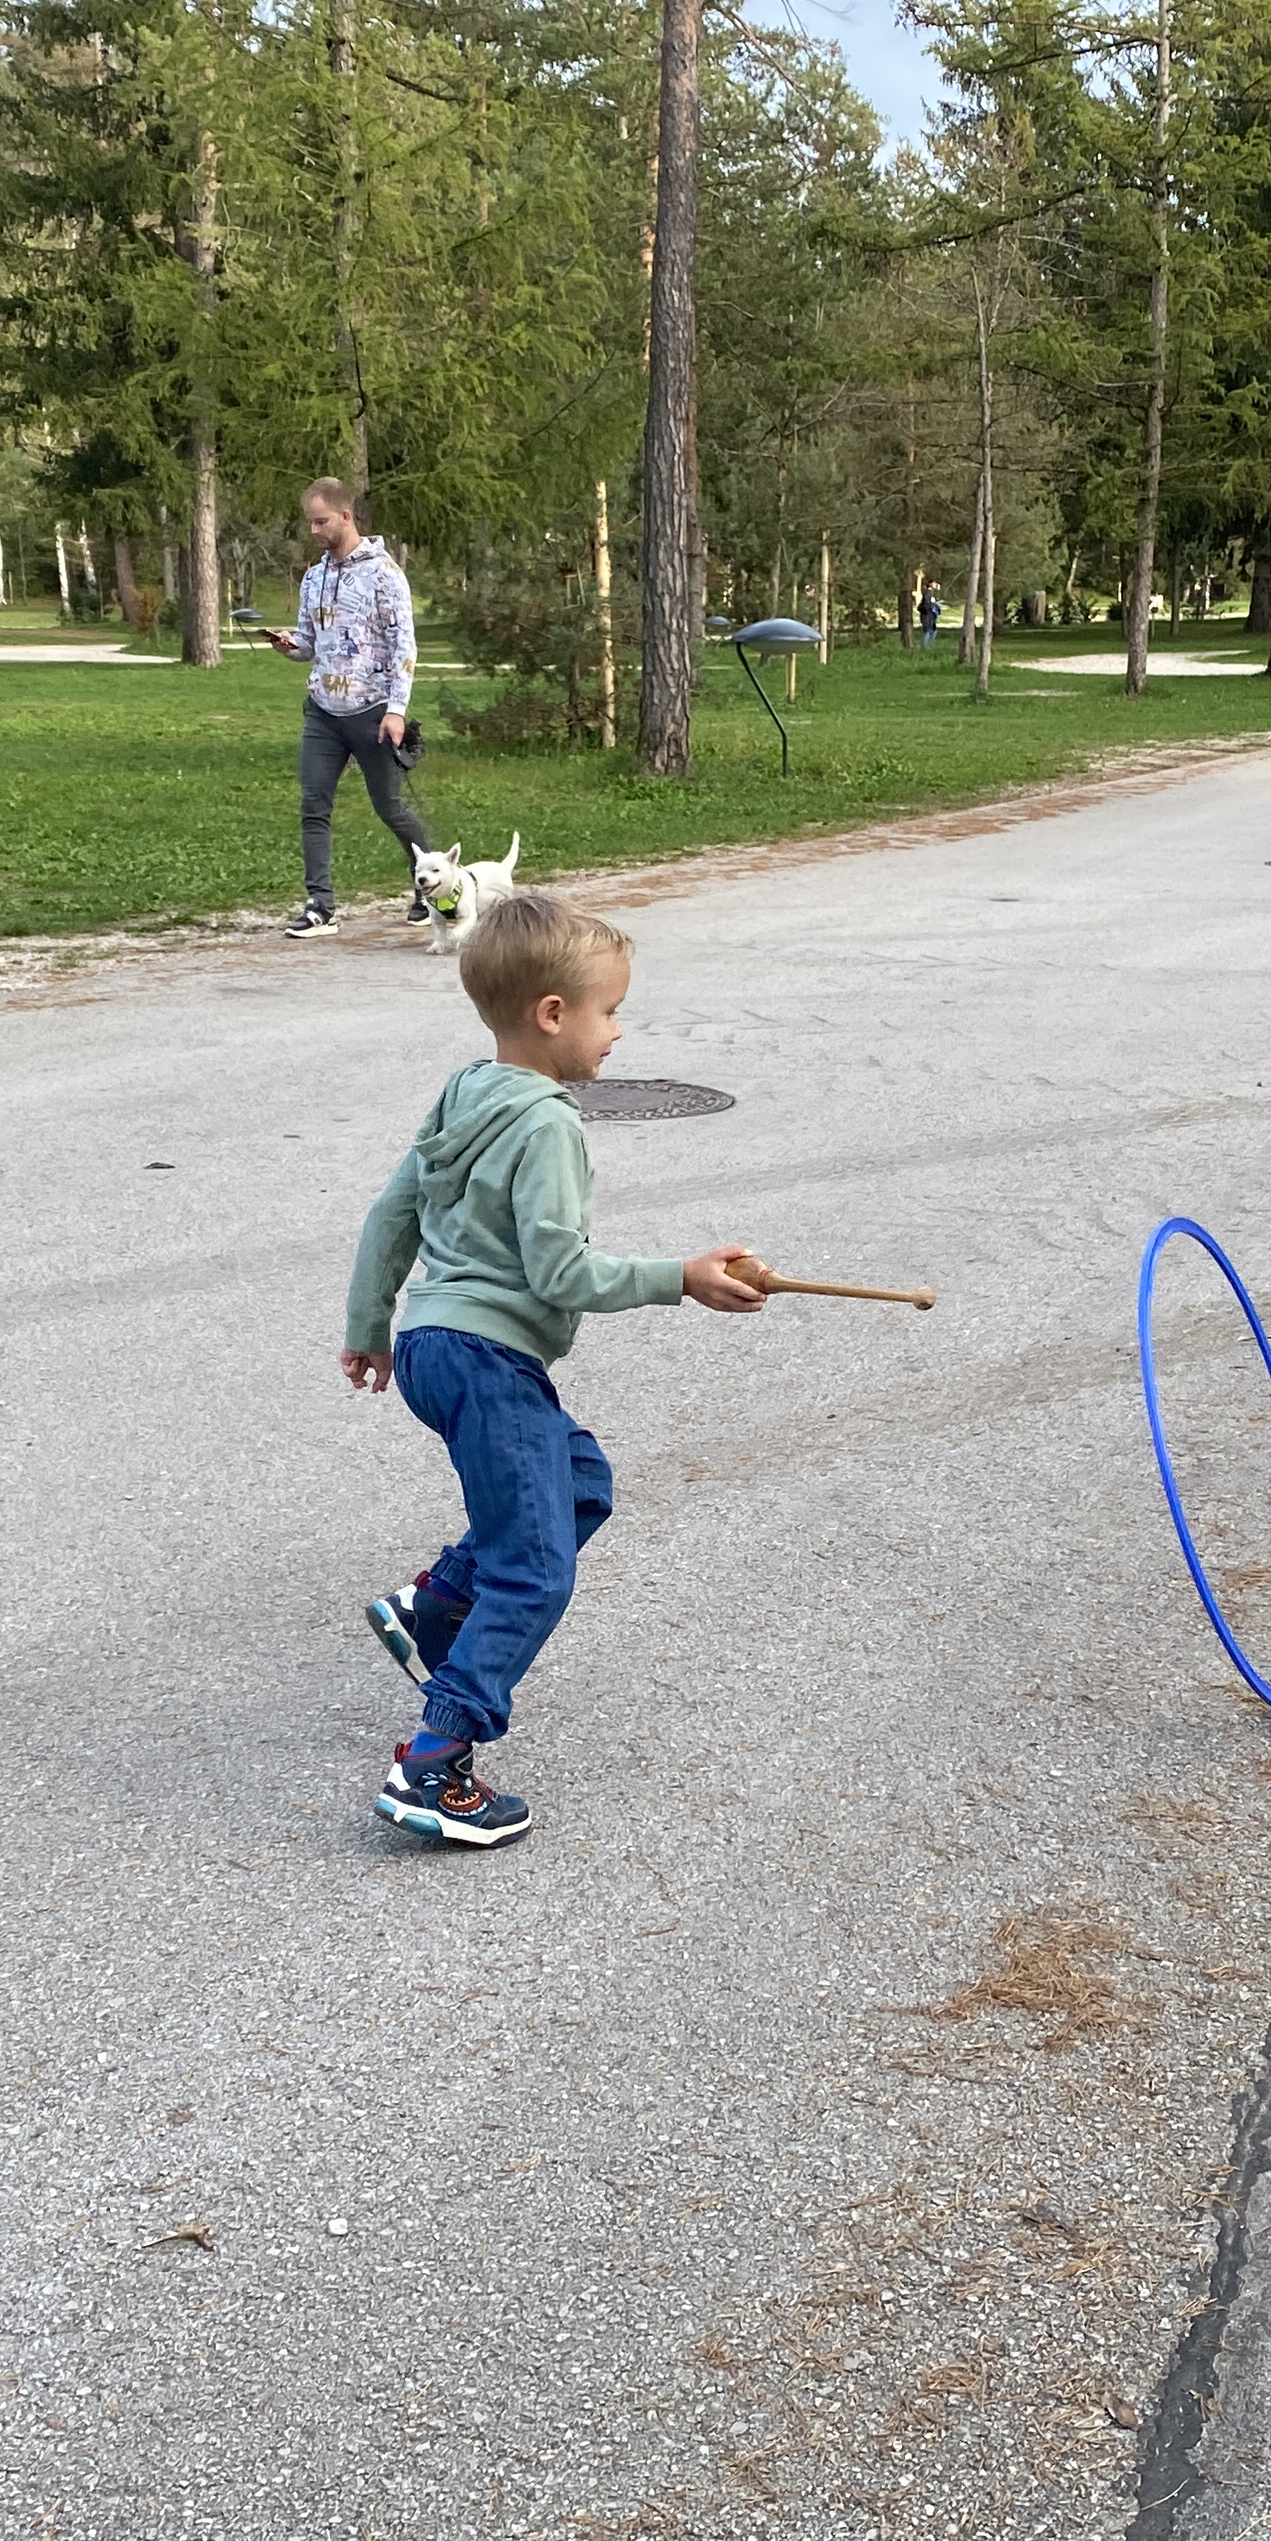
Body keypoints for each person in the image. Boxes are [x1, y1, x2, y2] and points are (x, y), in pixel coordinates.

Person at [338, 891, 767, 1846]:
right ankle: (433, 1761)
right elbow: (560, 1271)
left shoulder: (463, 1092)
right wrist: (681, 1279)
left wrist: (372, 1327)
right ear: (552, 1014)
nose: (618, 1030)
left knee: (577, 1481)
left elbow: (390, 1214)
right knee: (536, 1572)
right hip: (491, 1361)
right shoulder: (548, 1126)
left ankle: (439, 1606)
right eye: (610, 1010)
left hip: (432, 1351)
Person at [263, 476, 432, 938]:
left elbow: (404, 646)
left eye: (321, 521)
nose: (314, 531)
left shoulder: (384, 574)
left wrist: (396, 709)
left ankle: (431, 889)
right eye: (310, 523)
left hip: (372, 712)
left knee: (390, 807)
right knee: (313, 803)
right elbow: (309, 641)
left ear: (345, 515)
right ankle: (321, 905)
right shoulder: (314, 577)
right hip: (322, 710)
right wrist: (289, 645)